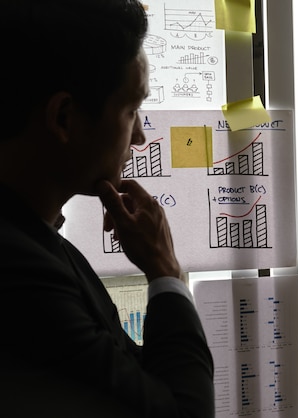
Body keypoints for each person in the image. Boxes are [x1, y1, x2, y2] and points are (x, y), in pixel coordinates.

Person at [0, 1, 214, 417]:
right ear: (64, 117)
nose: (140, 137)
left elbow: (134, 375)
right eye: (131, 110)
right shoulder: (19, 271)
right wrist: (164, 270)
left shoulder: (38, 240)